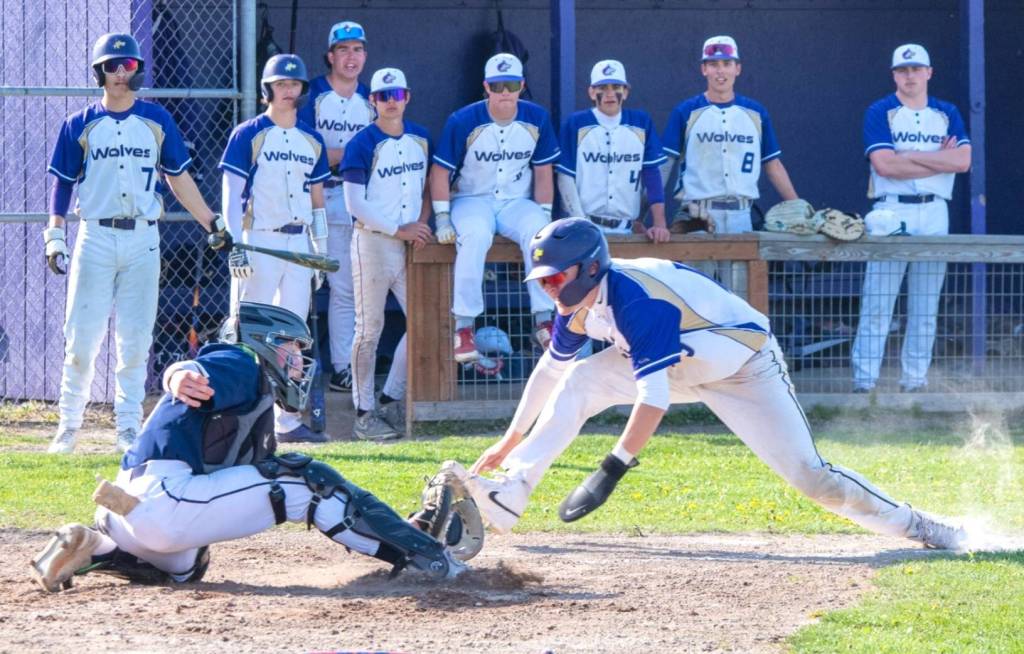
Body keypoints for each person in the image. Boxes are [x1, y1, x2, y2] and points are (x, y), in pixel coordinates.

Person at [436, 218, 968, 552]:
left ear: (590, 267)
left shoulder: (634, 300)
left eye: (555, 278)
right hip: (676, 363)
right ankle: (511, 492)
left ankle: (918, 525)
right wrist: (509, 441)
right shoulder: (578, 305)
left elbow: (655, 399)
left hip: (744, 367)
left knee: (812, 478)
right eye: (543, 281)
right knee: (575, 378)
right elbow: (548, 373)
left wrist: (609, 472)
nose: (550, 289)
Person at [28, 302, 465, 594]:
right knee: (304, 481)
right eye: (293, 349)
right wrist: (178, 372)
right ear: (266, 344)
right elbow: (199, 366)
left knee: (185, 567)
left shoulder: (254, 399)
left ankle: (95, 547)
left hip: (129, 514)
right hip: (163, 499)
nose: (299, 362)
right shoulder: (244, 361)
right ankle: (420, 553)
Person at [43, 33, 228, 455]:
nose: (121, 73)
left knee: (135, 338)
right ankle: (68, 427)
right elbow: (63, 184)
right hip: (96, 235)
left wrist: (211, 221)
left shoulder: (156, 119)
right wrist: (54, 235)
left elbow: (178, 177)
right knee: (82, 338)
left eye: (127, 65)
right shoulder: (79, 123)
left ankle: (128, 428)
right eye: (112, 65)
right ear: (99, 72)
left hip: (144, 236)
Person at [219, 53, 331, 443]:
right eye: (281, 84)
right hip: (261, 239)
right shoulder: (248, 133)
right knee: (246, 329)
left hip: (299, 242)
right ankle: (237, 417)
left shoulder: (312, 139)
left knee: (291, 333)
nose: (288, 91)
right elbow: (231, 196)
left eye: (295, 84)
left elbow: (318, 200)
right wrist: (235, 243)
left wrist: (321, 248)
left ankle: (286, 422)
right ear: (268, 88)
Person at [850, 44, 971, 393]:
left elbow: (962, 162)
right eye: (903, 70)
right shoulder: (881, 110)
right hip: (891, 208)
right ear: (894, 75)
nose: (910, 75)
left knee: (925, 303)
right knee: (879, 300)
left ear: (929, 72)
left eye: (916, 69)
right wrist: (937, 158)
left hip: (935, 209)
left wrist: (911, 155)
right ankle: (865, 381)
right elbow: (885, 165)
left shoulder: (946, 112)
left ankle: (914, 381)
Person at [429, 53, 560, 363]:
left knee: (539, 233)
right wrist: (442, 216)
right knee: (474, 236)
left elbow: (544, 171)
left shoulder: (536, 118)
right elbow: (440, 172)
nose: (505, 92)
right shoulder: (463, 119)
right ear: (486, 86)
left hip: (516, 200)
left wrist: (544, 212)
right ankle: (464, 328)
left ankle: (544, 319)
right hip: (471, 199)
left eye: (511, 84)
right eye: (498, 85)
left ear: (521, 86)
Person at [660, 35, 801, 291]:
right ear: (704, 69)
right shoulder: (686, 111)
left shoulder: (755, 112)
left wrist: (798, 206)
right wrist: (648, 214)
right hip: (697, 215)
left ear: (738, 68)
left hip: (741, 215)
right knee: (697, 297)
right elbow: (665, 166)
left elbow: (773, 164)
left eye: (726, 63)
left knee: (740, 299)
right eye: (713, 64)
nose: (720, 70)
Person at [341, 68, 433, 440]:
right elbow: (354, 203)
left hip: (412, 243)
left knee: (424, 322)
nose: (391, 100)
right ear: (372, 101)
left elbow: (431, 187)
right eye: (383, 95)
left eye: (397, 93)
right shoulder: (362, 142)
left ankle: (391, 397)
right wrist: (399, 229)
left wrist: (422, 225)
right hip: (373, 242)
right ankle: (364, 413)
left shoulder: (422, 137)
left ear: (407, 96)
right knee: (369, 330)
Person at [298, 21, 373, 394]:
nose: (351, 57)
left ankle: (343, 367)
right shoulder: (311, 93)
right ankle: (291, 369)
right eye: (343, 50)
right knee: (302, 284)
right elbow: (309, 153)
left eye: (357, 49)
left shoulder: (373, 96)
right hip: (312, 197)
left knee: (345, 288)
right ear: (330, 55)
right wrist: (351, 155)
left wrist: (340, 158)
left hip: (352, 199)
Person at [556, 60, 669, 243]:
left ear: (625, 91)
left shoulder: (640, 123)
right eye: (602, 87)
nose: (609, 94)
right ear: (592, 92)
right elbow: (565, 177)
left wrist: (659, 222)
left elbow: (652, 175)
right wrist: (580, 222)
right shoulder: (576, 124)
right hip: (586, 225)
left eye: (616, 87)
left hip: (626, 228)